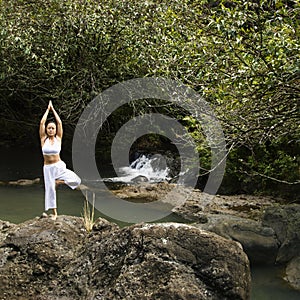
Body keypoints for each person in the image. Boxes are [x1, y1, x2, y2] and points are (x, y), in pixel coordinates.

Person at [39, 100, 81, 220]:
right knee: (50, 190)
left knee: (76, 180)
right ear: (46, 130)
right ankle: (55, 213)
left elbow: (59, 122)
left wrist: (54, 110)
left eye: (52, 128)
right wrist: (47, 110)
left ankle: (59, 182)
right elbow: (42, 123)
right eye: (49, 128)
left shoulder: (58, 138)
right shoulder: (43, 139)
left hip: (59, 166)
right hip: (48, 168)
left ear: (55, 130)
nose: (51, 130)